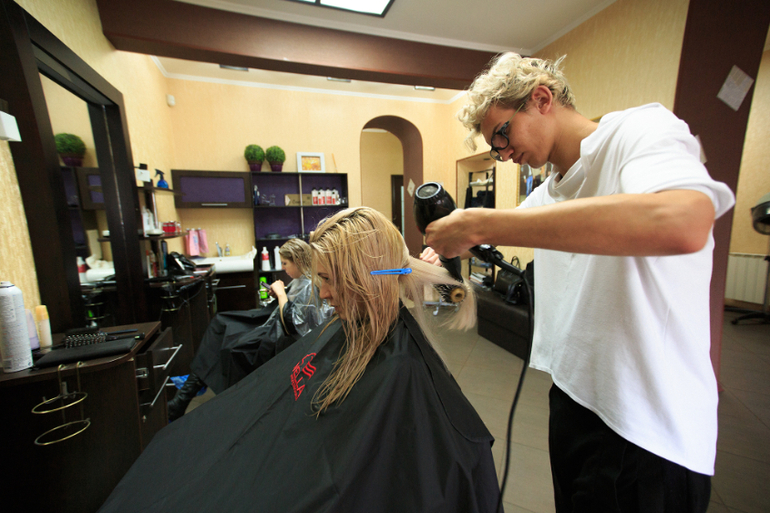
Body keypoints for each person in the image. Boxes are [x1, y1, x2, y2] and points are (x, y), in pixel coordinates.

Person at [423, 53, 735, 512]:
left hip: (647, 429)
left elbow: (683, 222)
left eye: (503, 134)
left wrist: (480, 223)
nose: (504, 154)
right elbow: (493, 234)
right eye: (495, 148)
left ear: (541, 99)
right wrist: (444, 249)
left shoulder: (640, 132)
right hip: (573, 404)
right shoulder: (548, 193)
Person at [99, 207, 499, 513]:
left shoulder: (401, 369)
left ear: (363, 279)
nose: (322, 294)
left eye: (328, 280)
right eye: (318, 279)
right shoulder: (349, 333)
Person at [167, 238, 334, 421]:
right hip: (270, 323)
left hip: (280, 336)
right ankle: (184, 397)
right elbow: (292, 307)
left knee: (233, 346)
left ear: (298, 261)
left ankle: (189, 399)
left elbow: (293, 325)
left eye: (285, 263)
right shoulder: (299, 281)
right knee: (220, 323)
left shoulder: (310, 285)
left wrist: (281, 294)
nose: (283, 268)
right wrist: (280, 293)